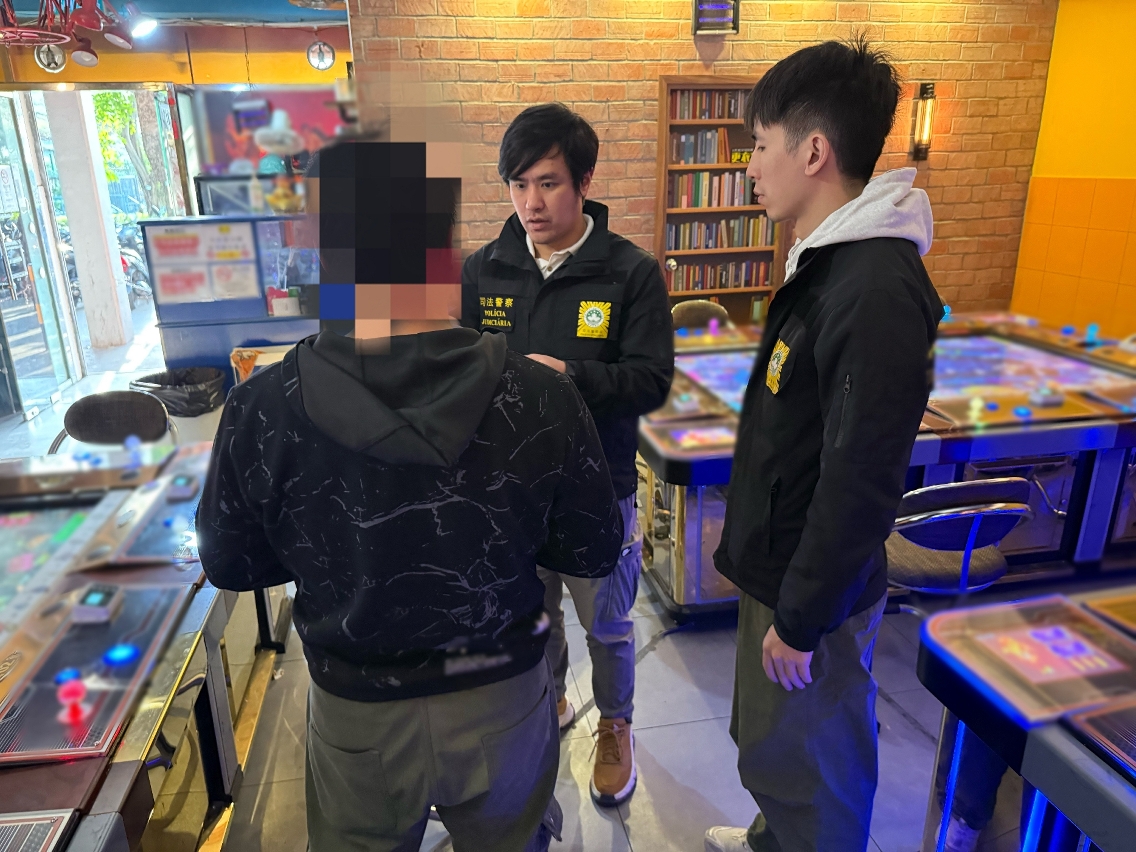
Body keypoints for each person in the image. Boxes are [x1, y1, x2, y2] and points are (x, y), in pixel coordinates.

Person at [197, 138, 625, 852]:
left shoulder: (263, 406)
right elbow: (592, 546)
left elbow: (231, 563)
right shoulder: (541, 394)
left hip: (357, 708)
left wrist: (333, 553)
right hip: (501, 694)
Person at [704, 38, 943, 852]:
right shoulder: (829, 265)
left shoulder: (873, 288)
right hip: (784, 568)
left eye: (759, 145)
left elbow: (861, 480)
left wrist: (803, 618)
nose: (749, 167)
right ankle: (772, 839)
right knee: (777, 746)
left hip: (815, 593)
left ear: (812, 152)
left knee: (817, 766)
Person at [461, 103, 673, 807]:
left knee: (607, 624)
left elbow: (652, 380)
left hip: (596, 486)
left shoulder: (630, 273)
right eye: (518, 185)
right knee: (534, 614)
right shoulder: (484, 270)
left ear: (584, 182)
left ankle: (615, 725)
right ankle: (548, 698)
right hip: (511, 491)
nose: (531, 203)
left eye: (548, 183)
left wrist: (570, 376)